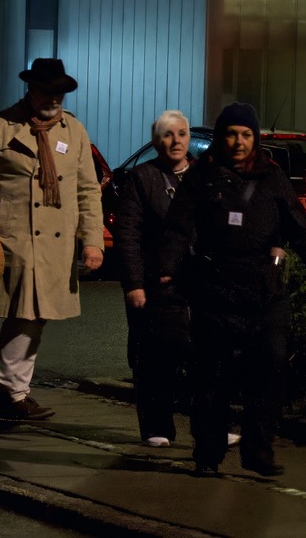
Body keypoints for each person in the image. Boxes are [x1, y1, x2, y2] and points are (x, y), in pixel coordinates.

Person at [160, 103, 306, 478]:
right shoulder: (201, 176)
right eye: (232, 134)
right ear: (221, 137)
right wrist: (167, 270)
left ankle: (258, 449)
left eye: (246, 135)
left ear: (254, 139)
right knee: (211, 378)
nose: (238, 142)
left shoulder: (272, 177)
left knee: (269, 372)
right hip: (214, 290)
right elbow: (177, 228)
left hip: (264, 292)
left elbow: (302, 231)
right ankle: (208, 453)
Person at [0, 58, 104, 422]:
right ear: (31, 89)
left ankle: (11, 390)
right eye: (47, 91)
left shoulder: (74, 131)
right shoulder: (0, 127)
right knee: (23, 314)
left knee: (36, 317)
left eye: (59, 92)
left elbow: (89, 190)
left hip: (57, 245)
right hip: (17, 240)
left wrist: (92, 241)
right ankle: (10, 391)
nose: (53, 99)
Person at [112, 110, 194, 448]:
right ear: (155, 140)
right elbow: (127, 234)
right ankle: (156, 426)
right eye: (167, 134)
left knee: (203, 355)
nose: (176, 141)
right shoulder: (142, 179)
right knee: (154, 357)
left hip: (196, 283)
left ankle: (210, 424)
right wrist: (134, 284)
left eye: (181, 134)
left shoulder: (203, 176)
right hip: (153, 283)